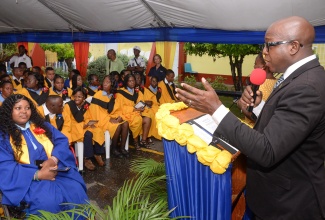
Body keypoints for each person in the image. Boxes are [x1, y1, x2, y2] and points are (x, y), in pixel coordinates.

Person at [175, 16, 325, 219]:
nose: (264, 52)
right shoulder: (302, 77)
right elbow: (284, 129)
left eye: (269, 45)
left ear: (293, 47)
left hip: (288, 205)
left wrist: (216, 109)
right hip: (277, 198)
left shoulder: (306, 86)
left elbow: (268, 150)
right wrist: (258, 107)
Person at [0, 94, 88, 216]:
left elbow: (61, 140)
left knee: (76, 190)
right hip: (27, 180)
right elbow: (5, 166)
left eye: (27, 108)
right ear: (9, 111)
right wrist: (38, 174)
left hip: (54, 169)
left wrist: (54, 159)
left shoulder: (41, 125)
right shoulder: (3, 136)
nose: (24, 112)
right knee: (49, 201)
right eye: (18, 108)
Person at [63, 87, 105, 170]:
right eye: (75, 96)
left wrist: (90, 122)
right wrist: (85, 125)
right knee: (88, 134)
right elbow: (67, 121)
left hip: (84, 125)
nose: (77, 98)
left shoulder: (86, 105)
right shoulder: (69, 105)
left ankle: (97, 154)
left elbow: (88, 117)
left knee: (98, 130)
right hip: (74, 127)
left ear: (84, 97)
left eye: (79, 97)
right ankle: (87, 158)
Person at [88, 75, 130, 158]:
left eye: (108, 82)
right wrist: (110, 119)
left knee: (125, 124)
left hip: (113, 117)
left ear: (112, 84)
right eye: (104, 82)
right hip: (102, 120)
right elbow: (96, 112)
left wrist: (120, 116)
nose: (105, 84)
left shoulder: (115, 96)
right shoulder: (98, 94)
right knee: (117, 126)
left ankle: (122, 148)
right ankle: (113, 149)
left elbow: (120, 108)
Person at [115, 74, 152, 149]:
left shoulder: (137, 91)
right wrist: (135, 109)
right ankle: (135, 141)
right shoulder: (120, 92)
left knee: (148, 119)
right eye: (130, 81)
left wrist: (141, 107)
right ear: (126, 82)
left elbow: (141, 101)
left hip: (137, 112)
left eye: (133, 81)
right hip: (126, 114)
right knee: (137, 120)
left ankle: (143, 140)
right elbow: (121, 107)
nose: (132, 83)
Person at [241, 52, 277, 126]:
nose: (254, 67)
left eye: (255, 64)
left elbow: (252, 114)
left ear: (263, 66)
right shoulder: (278, 82)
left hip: (252, 128)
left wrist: (241, 106)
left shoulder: (259, 87)